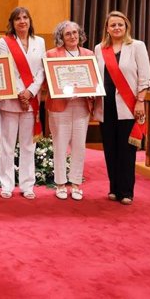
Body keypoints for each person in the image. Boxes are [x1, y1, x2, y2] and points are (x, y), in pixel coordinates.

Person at [94, 11, 150, 205]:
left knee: (126, 150)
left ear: (126, 27)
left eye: (120, 24)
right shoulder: (99, 49)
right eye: (113, 25)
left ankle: (126, 191)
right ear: (107, 29)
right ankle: (114, 188)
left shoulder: (136, 46)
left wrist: (141, 100)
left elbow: (145, 77)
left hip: (128, 106)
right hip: (105, 106)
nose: (117, 28)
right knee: (110, 149)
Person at [0, 7, 45, 200]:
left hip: (31, 100)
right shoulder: (4, 42)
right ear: (12, 22)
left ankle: (27, 185)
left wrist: (30, 92)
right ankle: (6, 185)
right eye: (18, 18)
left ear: (30, 20)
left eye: (25, 17)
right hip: (10, 100)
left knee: (28, 146)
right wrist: (19, 93)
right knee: (7, 145)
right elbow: (4, 67)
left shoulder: (39, 41)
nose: (22, 21)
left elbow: (42, 70)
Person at [44, 21, 94, 201]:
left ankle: (75, 183)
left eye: (75, 33)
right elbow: (46, 82)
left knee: (79, 146)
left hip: (82, 105)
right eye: (68, 34)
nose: (72, 36)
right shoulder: (51, 54)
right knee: (60, 145)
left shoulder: (89, 54)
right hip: (59, 106)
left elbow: (94, 80)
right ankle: (59, 184)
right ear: (61, 37)